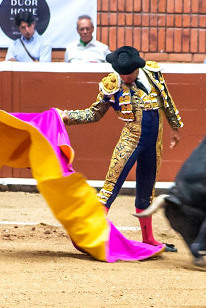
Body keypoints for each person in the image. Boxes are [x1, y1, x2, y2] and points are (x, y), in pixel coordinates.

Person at [60, 46, 182, 251]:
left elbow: (166, 99)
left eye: (129, 74)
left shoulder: (152, 73)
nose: (125, 78)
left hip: (154, 143)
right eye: (121, 74)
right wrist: (68, 117)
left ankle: (148, 238)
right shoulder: (112, 83)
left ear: (137, 67)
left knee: (147, 191)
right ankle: (90, 233)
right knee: (111, 186)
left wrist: (175, 127)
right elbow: (94, 113)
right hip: (131, 140)